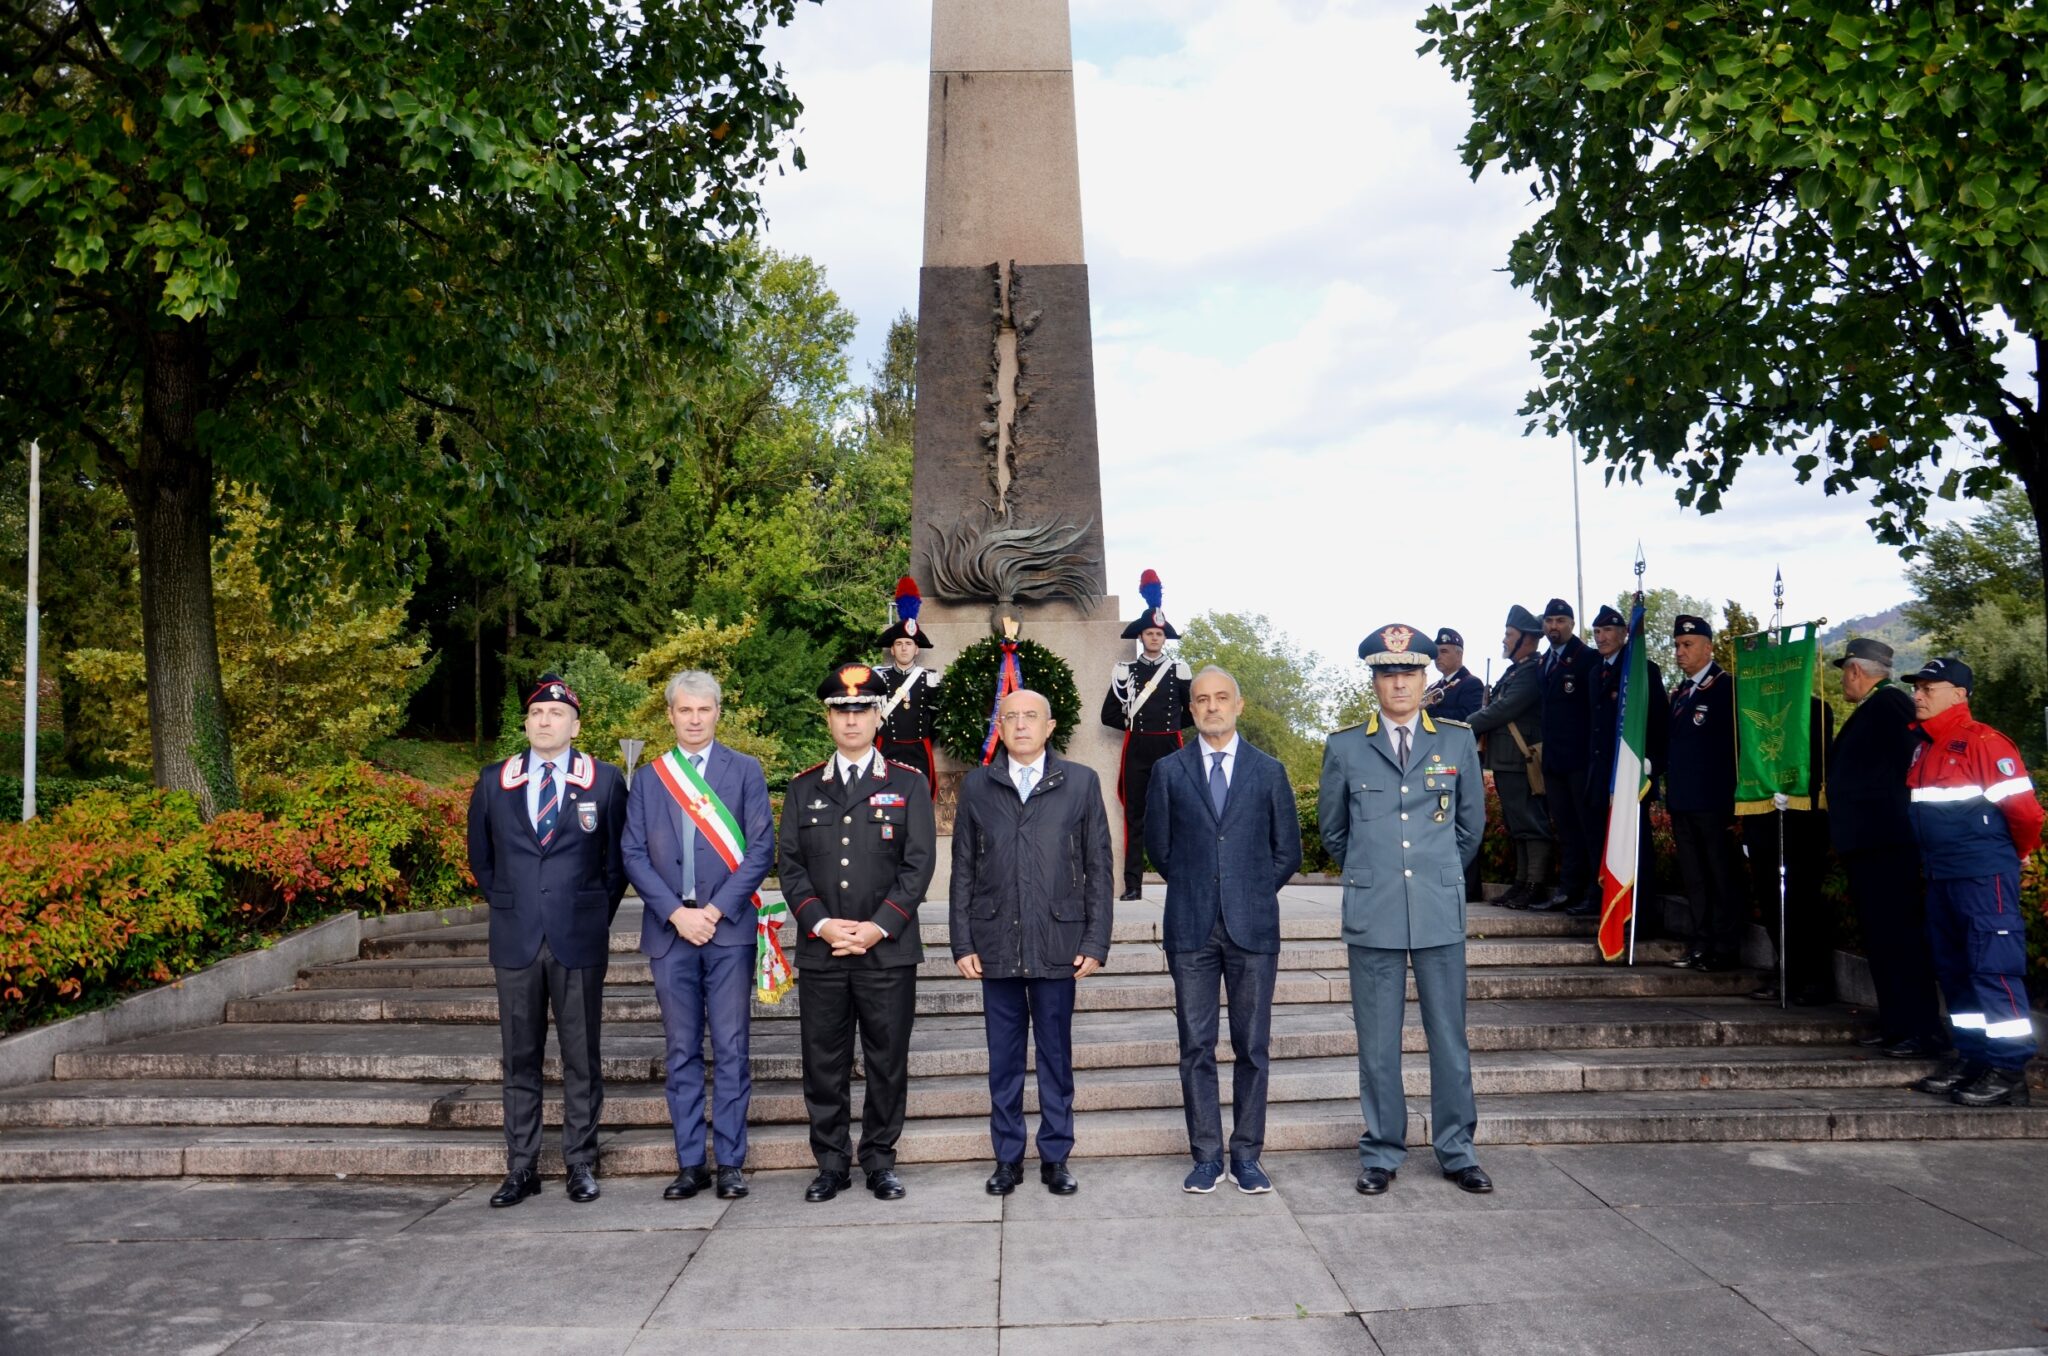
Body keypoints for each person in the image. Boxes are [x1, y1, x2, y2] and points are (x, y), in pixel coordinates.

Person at [1321, 624, 1491, 1196]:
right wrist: (1379, 875)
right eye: (1388, 673)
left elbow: (1471, 829)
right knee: (1377, 1042)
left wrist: (1437, 873)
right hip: (1375, 911)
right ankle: (1381, 1151)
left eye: (1409, 672)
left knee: (1449, 1037)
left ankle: (1457, 1150)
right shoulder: (1345, 746)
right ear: (1374, 681)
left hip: (1439, 908)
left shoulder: (1456, 740)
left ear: (1425, 679)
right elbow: (1335, 832)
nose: (1399, 683)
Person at [466, 673, 628, 1207]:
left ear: (575, 725)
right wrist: (515, 904)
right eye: (536, 713)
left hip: (578, 937)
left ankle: (581, 1162)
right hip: (516, 938)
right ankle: (522, 1167)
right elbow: (482, 860)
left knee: (582, 1056)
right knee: (519, 1057)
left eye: (556, 714)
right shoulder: (495, 780)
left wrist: (587, 912)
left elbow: (615, 864)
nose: (544, 720)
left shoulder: (603, 781)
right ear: (527, 722)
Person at [778, 663, 938, 1200]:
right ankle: (830, 1162)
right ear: (828, 719)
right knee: (823, 1062)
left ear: (878, 715)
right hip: (823, 953)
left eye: (862, 710)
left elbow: (919, 866)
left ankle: (879, 1158)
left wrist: (876, 928)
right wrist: (821, 924)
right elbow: (791, 867)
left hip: (885, 952)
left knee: (886, 1060)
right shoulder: (804, 788)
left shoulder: (908, 783)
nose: (851, 721)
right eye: (841, 712)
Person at [1143, 666, 1302, 1194]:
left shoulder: (1269, 771)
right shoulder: (1168, 771)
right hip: (1191, 927)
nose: (1211, 707)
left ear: (1239, 705)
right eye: (1201, 700)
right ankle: (1207, 1156)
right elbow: (1159, 849)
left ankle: (1248, 1155)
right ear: (1191, 711)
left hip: (1252, 927)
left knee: (1253, 1046)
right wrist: (1201, 888)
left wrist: (1249, 891)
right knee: (1196, 1046)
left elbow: (1287, 851)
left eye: (1221, 698)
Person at [949, 688, 1114, 1196]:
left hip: (1059, 943)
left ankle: (1056, 1156)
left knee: (1055, 1057)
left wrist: (1095, 939)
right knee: (1003, 1059)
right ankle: (1007, 1158)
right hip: (995, 940)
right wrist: (961, 942)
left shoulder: (1080, 782)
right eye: (1011, 717)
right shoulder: (978, 786)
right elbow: (962, 871)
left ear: (1049, 725)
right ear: (999, 726)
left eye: (1031, 717)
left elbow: (1099, 867)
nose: (1020, 725)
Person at [623, 670, 775, 1202]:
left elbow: (761, 848)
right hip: (671, 935)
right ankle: (690, 1163)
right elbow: (633, 854)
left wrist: (713, 910)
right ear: (670, 715)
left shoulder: (745, 771)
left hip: (728, 930)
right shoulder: (649, 778)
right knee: (682, 1049)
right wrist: (675, 913)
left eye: (703, 710)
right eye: (684, 710)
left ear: (717, 713)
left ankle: (730, 1161)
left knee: (732, 1048)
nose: (693, 719)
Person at [1901, 657, 2042, 1107]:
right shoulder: (1925, 746)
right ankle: (1974, 1057)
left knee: (1993, 970)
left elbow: (2025, 814)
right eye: (1916, 687)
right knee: (1955, 972)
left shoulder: (1983, 742)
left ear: (1959, 694)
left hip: (1983, 877)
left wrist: (2009, 858)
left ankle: (2008, 1069)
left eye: (1929, 687)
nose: (1918, 695)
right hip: (1943, 875)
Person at [1828, 638, 1943, 1056]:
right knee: (1881, 938)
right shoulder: (1873, 708)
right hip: (1870, 844)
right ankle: (1897, 1023)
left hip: (1887, 843)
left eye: (1844, 672)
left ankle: (1919, 1029)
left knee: (1899, 937)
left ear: (1856, 671)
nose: (1843, 681)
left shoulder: (1890, 703)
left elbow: (1914, 762)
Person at [1102, 568, 1194, 901]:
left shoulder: (1179, 670)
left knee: (1179, 814)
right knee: (1135, 818)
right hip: (1137, 747)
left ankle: (1180, 879)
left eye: (1159, 634)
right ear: (1140, 636)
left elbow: (1192, 710)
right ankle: (1133, 884)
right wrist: (1131, 721)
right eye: (1150, 633)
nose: (1155, 638)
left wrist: (1171, 725)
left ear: (1164, 638)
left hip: (1170, 745)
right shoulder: (1125, 672)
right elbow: (1108, 714)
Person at [1664, 615, 1749, 973]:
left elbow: (1737, 747)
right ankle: (1701, 942)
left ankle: (1724, 946)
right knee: (1695, 878)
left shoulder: (1727, 687)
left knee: (1719, 875)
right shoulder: (1682, 692)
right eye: (1677, 646)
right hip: (1683, 800)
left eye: (1688, 645)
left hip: (1714, 802)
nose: (1680, 652)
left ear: (1708, 647)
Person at [1742, 693, 1835, 1005]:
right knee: (1769, 900)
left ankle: (1815, 978)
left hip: (1802, 824)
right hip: (1762, 819)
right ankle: (1786, 970)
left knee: (1804, 901)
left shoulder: (1815, 708)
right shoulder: (1751, 709)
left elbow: (1820, 763)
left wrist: (1797, 791)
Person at [1590, 603, 1669, 915]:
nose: (1601, 637)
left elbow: (1660, 723)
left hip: (1633, 775)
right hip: (1601, 777)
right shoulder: (1596, 671)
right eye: (1596, 631)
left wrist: (1652, 763)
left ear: (1624, 634)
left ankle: (1641, 916)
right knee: (1605, 849)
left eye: (1608, 630)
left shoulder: (1641, 670)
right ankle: (1612, 912)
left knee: (1637, 851)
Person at [1468, 605, 1549, 907]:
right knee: (1517, 824)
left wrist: (1465, 723)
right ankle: (1521, 883)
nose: (1504, 640)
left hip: (1521, 759)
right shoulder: (1516, 670)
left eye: (1509, 635)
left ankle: (1534, 884)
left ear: (1526, 639)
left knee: (1530, 822)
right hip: (1507, 759)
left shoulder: (1531, 671)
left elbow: (1504, 709)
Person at [1534, 598, 1597, 913]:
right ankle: (1569, 889)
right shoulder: (1545, 661)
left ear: (1572, 624)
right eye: (1549, 621)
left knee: (1587, 828)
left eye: (1560, 621)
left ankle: (1591, 892)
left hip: (1580, 760)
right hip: (1555, 760)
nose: (1553, 627)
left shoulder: (1586, 659)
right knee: (1566, 828)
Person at [877, 576, 944, 785]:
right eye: (899, 643)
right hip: (887, 747)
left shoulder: (929, 678)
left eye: (909, 643)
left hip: (918, 750)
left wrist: (926, 739)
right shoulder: (880, 677)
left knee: (920, 798)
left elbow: (938, 716)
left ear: (916, 649)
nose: (904, 647)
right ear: (892, 648)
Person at [1423, 628, 1485, 722]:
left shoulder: (1472, 683)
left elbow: (1468, 717)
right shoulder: (1433, 687)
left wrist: (1427, 711)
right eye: (1436, 652)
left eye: (1444, 651)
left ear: (1459, 654)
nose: (1438, 657)